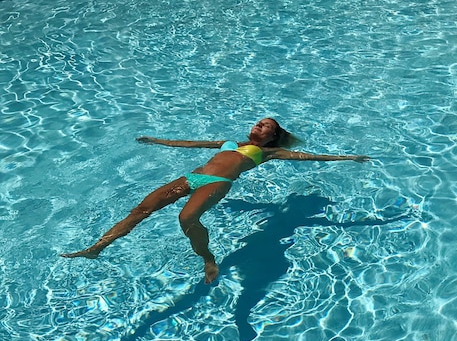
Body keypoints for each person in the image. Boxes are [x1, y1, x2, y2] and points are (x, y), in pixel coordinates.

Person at [61, 118, 370, 283]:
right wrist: (157, 140)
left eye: (266, 127)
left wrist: (347, 158)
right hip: (194, 176)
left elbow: (307, 156)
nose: (258, 126)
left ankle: (208, 259)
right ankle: (96, 249)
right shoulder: (231, 142)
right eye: (258, 122)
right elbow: (190, 143)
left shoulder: (268, 152)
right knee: (142, 209)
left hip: (219, 183)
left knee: (186, 219)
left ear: (272, 137)